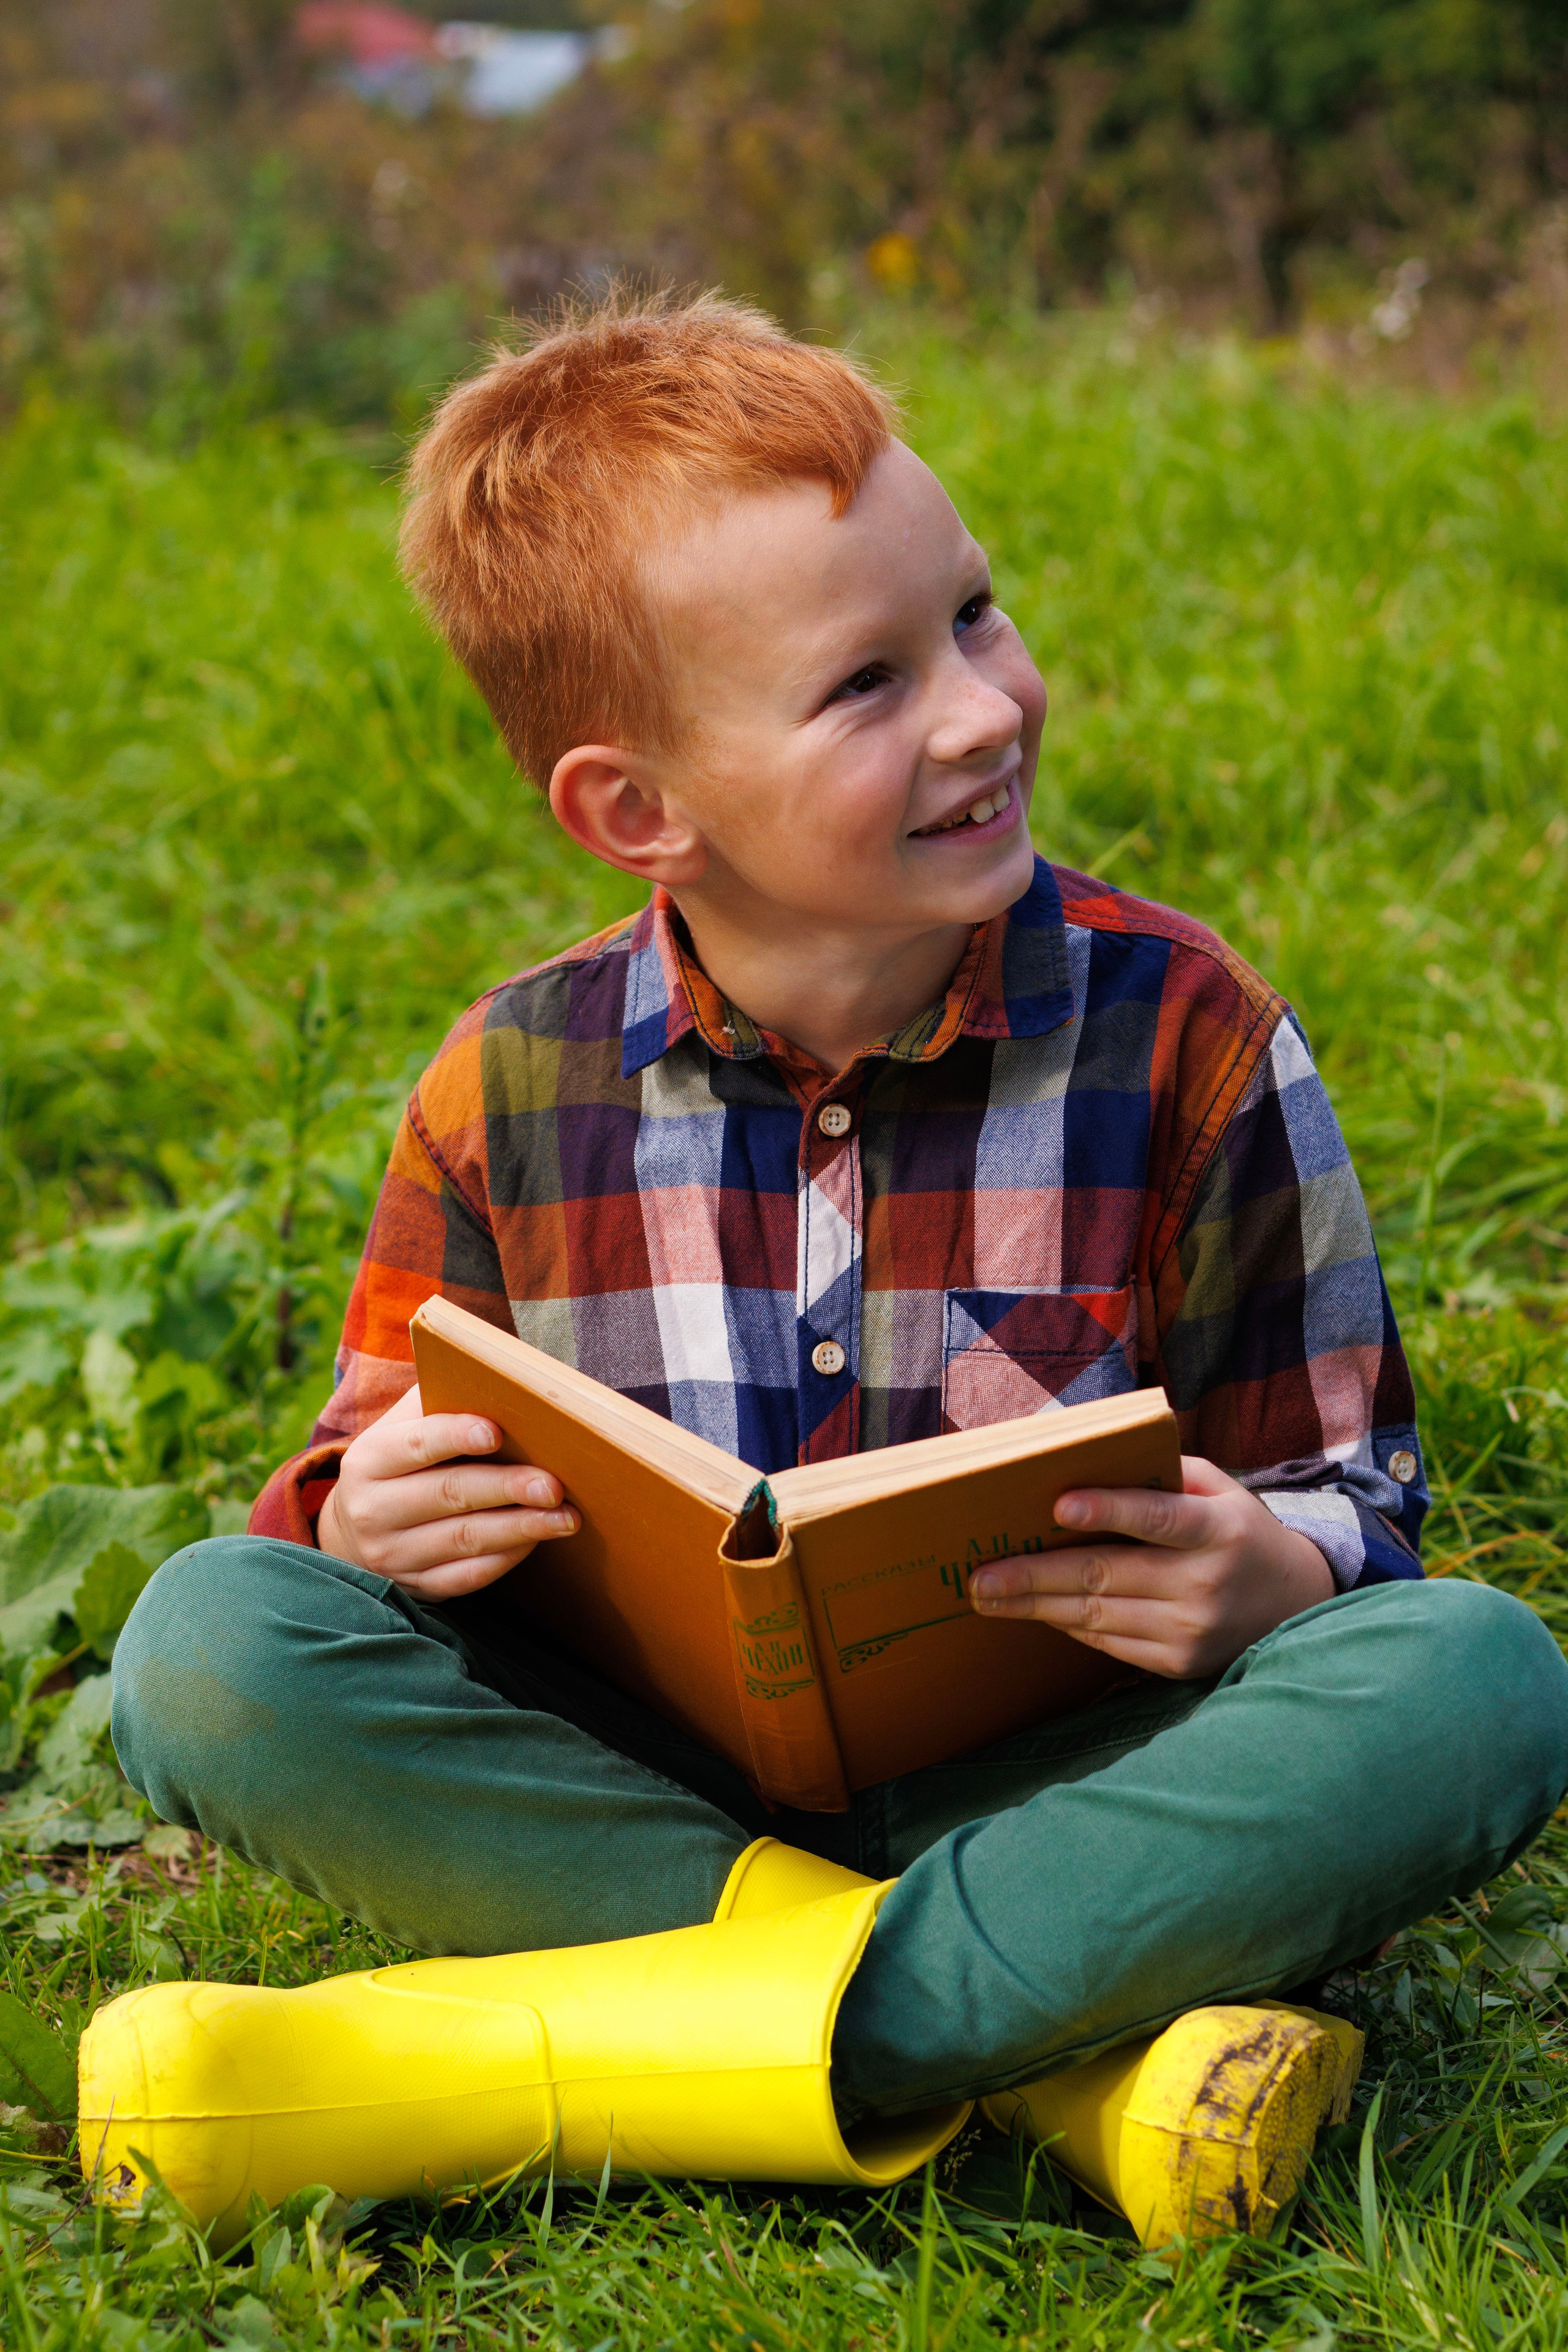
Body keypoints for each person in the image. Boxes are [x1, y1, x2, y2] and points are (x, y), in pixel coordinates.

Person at [104, 293, 1568, 2247]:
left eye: (973, 614)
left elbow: (1349, 1492)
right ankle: (1052, 2064)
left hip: (1068, 1789)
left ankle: (556, 2054)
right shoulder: (505, 1087)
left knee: (1474, 1678)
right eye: (865, 685)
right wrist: (371, 1516)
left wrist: (1276, 1569)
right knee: (209, 1645)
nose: (980, 709)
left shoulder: (1189, 1037)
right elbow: (346, 1498)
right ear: (639, 810)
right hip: (636, 1795)